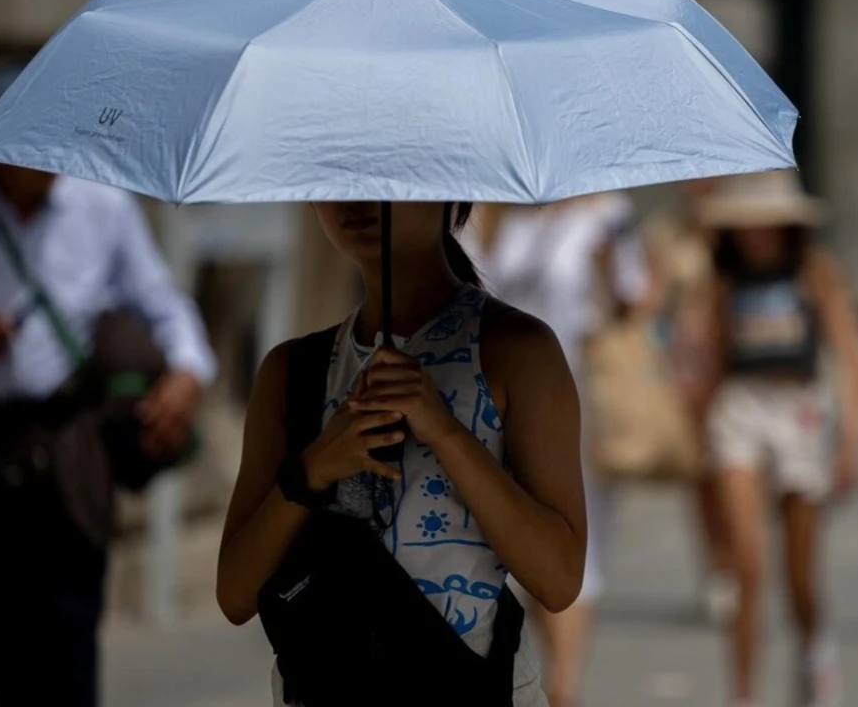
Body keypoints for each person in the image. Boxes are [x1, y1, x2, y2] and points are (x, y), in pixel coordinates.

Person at [0, 63, 217, 707]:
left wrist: (188, 373)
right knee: (1, 629)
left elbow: (163, 304)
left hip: (68, 441)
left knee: (68, 629)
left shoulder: (102, 207)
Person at [217, 202, 586, 706]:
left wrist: (445, 432)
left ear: (450, 193)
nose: (355, 200)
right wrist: (312, 471)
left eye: (386, 179)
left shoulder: (517, 350)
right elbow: (234, 594)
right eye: (337, 178)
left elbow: (559, 579)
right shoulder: (292, 371)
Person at [465, 194, 649, 707]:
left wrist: (608, 266)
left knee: (573, 543)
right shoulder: (489, 211)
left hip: (577, 397)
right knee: (520, 547)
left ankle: (566, 689)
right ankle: (547, 681)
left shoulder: (607, 214)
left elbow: (633, 298)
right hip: (497, 401)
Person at [699, 170, 858, 707]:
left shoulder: (814, 271)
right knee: (748, 565)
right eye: (746, 222)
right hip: (741, 406)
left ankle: (815, 649)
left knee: (798, 574)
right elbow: (711, 356)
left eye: (765, 221)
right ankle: (743, 692)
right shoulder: (723, 277)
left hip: (800, 408)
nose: (756, 232)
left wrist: (851, 440)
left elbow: (851, 356)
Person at [642, 180, 736, 624]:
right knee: (702, 475)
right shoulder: (666, 233)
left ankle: (738, 558)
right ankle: (717, 568)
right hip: (687, 366)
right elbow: (652, 303)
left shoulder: (739, 227)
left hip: (735, 363)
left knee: (735, 470)